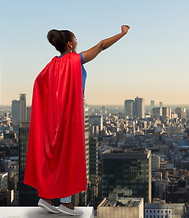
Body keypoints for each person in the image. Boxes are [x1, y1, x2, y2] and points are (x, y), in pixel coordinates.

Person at [24, 25, 130, 216]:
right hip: (70, 116)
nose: (78, 43)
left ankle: (46, 197)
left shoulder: (50, 65)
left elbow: (38, 82)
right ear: (70, 44)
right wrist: (122, 33)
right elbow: (101, 46)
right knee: (70, 156)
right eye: (76, 40)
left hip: (53, 117)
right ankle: (65, 203)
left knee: (53, 155)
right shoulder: (75, 60)